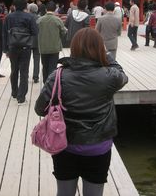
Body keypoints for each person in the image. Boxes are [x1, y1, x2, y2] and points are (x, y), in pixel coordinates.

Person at [35, 28, 128, 196]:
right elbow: (122, 74)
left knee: (64, 192)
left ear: (73, 48)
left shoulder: (58, 75)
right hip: (98, 146)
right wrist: (105, 54)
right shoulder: (110, 76)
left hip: (64, 144)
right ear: (100, 48)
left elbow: (39, 108)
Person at [3, 0, 38, 105]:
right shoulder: (30, 17)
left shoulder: (9, 17)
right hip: (25, 47)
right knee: (24, 71)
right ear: (25, 5)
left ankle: (14, 92)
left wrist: (5, 49)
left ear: (14, 5)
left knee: (14, 70)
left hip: (12, 47)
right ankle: (21, 97)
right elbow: (35, 32)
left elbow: (4, 33)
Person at [37, 1, 68, 83]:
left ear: (46, 9)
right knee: (53, 67)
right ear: (54, 9)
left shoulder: (39, 20)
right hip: (54, 47)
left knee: (45, 66)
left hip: (43, 47)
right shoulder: (57, 20)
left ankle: (45, 82)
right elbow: (64, 32)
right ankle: (51, 84)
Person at [28, 3, 41, 83]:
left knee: (26, 59)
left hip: (27, 40)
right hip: (37, 40)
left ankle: (25, 75)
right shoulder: (40, 18)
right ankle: (36, 77)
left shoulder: (27, 17)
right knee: (37, 59)